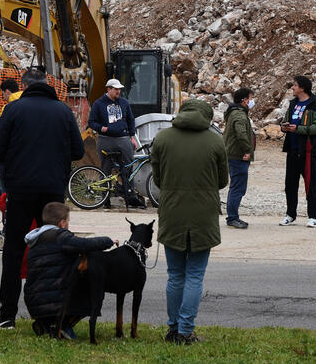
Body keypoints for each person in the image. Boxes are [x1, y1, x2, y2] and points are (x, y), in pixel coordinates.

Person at [0, 67, 85, 329]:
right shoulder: (64, 111)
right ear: (48, 84)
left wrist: (16, 157)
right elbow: (77, 150)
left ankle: (7, 315)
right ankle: (52, 314)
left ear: (24, 85)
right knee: (53, 251)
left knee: (13, 252)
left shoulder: (14, 110)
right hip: (53, 193)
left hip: (20, 191)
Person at [152, 99, 228, 344]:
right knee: (194, 275)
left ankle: (173, 328)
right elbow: (222, 181)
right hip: (202, 216)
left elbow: (158, 178)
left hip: (172, 211)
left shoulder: (162, 139)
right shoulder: (215, 141)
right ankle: (186, 331)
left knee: (175, 275)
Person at [24, 202, 115, 338]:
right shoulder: (61, 237)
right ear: (62, 223)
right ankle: (64, 325)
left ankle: (46, 323)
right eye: (68, 221)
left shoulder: (35, 240)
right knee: (92, 284)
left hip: (33, 302)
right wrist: (109, 241)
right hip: (56, 304)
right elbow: (85, 244)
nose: (68, 224)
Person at [279, 75, 316, 227]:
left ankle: (313, 216)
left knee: (310, 184)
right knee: (290, 184)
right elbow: (286, 120)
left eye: (295, 85)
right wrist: (284, 126)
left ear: (302, 88)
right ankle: (290, 214)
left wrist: (298, 129)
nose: (292, 88)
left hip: (308, 151)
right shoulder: (293, 104)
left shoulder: (315, 105)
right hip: (292, 150)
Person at [87, 78, 141, 208]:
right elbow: (92, 122)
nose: (118, 91)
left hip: (123, 138)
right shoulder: (98, 104)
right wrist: (102, 128)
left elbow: (130, 120)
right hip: (105, 139)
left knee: (129, 166)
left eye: (119, 89)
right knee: (106, 168)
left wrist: (132, 137)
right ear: (108, 89)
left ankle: (130, 194)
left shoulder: (124, 103)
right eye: (116, 89)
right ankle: (105, 199)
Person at [223, 88, 255, 229]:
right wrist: (247, 150)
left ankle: (232, 216)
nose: (252, 101)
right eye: (251, 98)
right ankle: (233, 218)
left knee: (236, 187)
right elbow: (241, 134)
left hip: (233, 155)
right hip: (238, 156)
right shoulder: (240, 116)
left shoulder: (233, 113)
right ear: (244, 100)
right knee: (237, 188)